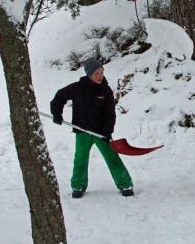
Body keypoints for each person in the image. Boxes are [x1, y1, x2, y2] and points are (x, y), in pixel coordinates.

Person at [50, 58, 134, 198]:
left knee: (112, 157)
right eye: (96, 73)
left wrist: (107, 131)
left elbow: (110, 114)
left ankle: (125, 184)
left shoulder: (106, 91)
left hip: (101, 132)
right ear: (89, 74)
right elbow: (59, 97)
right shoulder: (77, 88)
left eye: (101, 72)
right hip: (82, 131)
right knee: (80, 159)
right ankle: (78, 185)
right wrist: (56, 114)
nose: (100, 76)